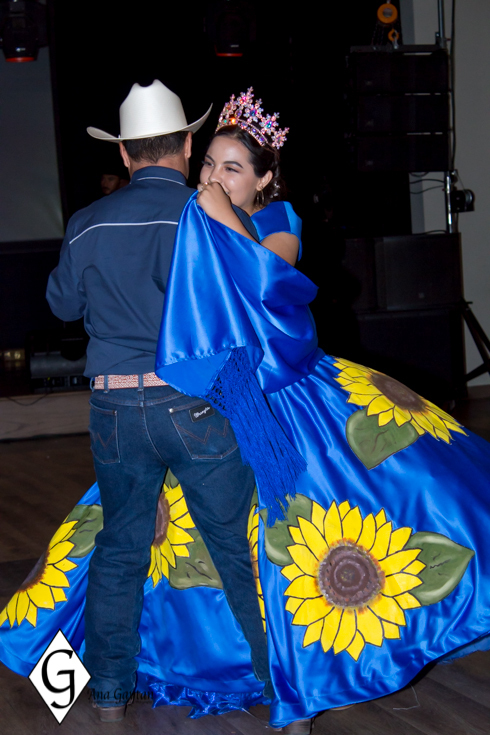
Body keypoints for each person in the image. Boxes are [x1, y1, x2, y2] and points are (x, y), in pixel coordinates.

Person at [1, 88, 489, 735]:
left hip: (272, 396)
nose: (214, 176)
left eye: (231, 167)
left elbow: (272, 279)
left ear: (263, 178)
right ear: (185, 151)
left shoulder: (266, 217)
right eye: (209, 163)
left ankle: (293, 685)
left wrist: (212, 215)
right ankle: (115, 674)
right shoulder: (190, 216)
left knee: (301, 532)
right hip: (204, 401)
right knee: (167, 541)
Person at [2, 79, 271, 723]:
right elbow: (253, 292)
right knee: (236, 553)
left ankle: (110, 697)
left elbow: (62, 305)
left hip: (115, 409)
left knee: (120, 549)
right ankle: (282, 687)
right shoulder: (206, 213)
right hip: (195, 405)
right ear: (187, 146)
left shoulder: (86, 223)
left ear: (123, 154)